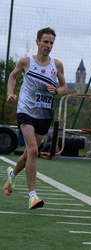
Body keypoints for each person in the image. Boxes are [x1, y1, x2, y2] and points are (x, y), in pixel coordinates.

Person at [4, 27, 67, 209]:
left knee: (29, 153)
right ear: (37, 42)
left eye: (51, 43)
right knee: (33, 151)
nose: (48, 46)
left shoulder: (57, 65)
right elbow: (13, 76)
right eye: (45, 42)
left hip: (44, 113)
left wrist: (56, 90)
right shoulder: (26, 62)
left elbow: (64, 88)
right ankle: (32, 195)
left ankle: (13, 174)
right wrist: (10, 93)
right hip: (25, 110)